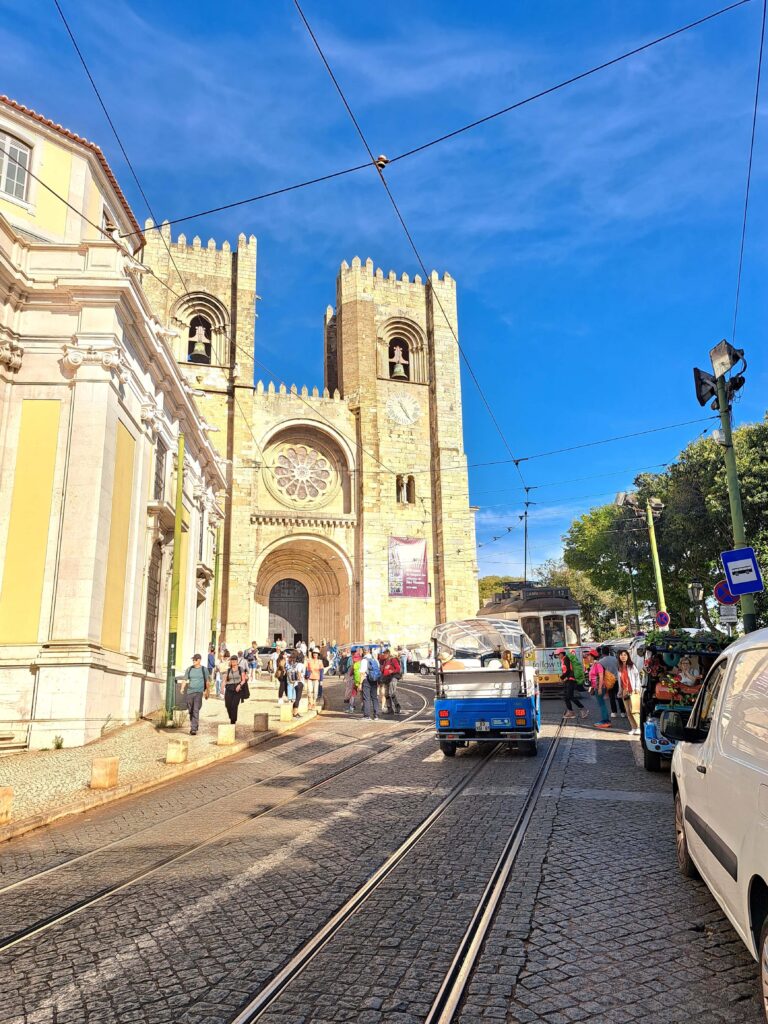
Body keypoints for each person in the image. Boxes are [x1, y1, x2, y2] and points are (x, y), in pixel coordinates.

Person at [557, 648, 588, 721]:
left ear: (561, 654)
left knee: (570, 696)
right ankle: (570, 712)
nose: (557, 656)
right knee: (566, 697)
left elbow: (568, 670)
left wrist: (561, 678)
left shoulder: (566, 659)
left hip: (571, 680)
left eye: (558, 655)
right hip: (568, 680)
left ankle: (583, 709)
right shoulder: (564, 660)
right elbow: (567, 671)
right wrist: (564, 679)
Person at [183, 654, 210, 735]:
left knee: (195, 709)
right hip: (189, 692)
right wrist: (182, 688)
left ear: (199, 660)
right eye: (193, 660)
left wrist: (207, 691)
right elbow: (185, 679)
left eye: (195, 660)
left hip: (199, 692)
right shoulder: (189, 669)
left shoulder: (204, 669)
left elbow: (207, 682)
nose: (193, 661)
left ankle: (193, 728)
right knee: (190, 710)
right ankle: (195, 724)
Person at [617, 649, 641, 735]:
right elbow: (620, 680)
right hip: (624, 691)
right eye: (621, 655)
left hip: (633, 690)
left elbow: (637, 677)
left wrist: (637, 688)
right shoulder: (619, 667)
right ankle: (633, 727)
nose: (623, 656)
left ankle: (638, 727)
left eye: (625, 655)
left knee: (634, 710)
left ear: (628, 656)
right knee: (627, 710)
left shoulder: (631, 666)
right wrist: (620, 691)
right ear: (619, 657)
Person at [585, 649, 611, 729]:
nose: (587, 657)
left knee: (602, 704)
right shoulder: (593, 664)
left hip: (600, 687)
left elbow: (601, 676)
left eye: (589, 655)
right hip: (596, 687)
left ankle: (606, 721)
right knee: (601, 704)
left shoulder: (597, 664)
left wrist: (599, 688)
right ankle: (605, 720)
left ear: (592, 656)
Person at [222, 654, 246, 725]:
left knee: (234, 705)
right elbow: (224, 680)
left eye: (234, 660)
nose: (233, 662)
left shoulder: (240, 669)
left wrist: (240, 685)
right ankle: (231, 717)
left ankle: (233, 721)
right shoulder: (228, 670)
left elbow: (243, 680)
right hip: (229, 688)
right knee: (228, 705)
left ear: (237, 661)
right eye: (232, 660)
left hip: (237, 689)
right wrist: (222, 688)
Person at [599, 646, 622, 718]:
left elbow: (601, 672)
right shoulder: (615, 659)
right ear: (609, 652)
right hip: (617, 680)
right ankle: (623, 712)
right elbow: (619, 668)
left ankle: (614, 712)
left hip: (609, 681)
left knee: (611, 697)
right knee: (619, 696)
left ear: (602, 653)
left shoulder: (601, 661)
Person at [359, 647, 381, 721]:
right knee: (374, 697)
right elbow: (378, 670)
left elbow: (362, 673)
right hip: (374, 680)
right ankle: (376, 715)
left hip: (366, 680)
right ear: (369, 651)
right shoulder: (375, 659)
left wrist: (360, 683)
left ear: (364, 652)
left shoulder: (364, 660)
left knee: (366, 698)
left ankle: (367, 715)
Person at [380, 648, 402, 714]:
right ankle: (389, 708)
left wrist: (392, 671)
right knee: (386, 694)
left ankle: (397, 706)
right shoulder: (385, 661)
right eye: (384, 653)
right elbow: (383, 670)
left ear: (389, 654)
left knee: (392, 693)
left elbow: (398, 669)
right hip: (386, 678)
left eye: (385, 653)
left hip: (393, 678)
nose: (384, 655)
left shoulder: (393, 660)